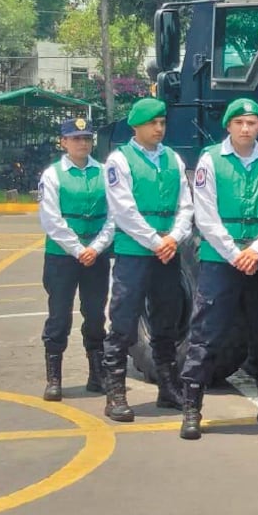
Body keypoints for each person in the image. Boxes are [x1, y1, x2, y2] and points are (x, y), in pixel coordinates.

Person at [178, 97, 258, 440]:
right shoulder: (211, 160)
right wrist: (235, 253)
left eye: (252, 123)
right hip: (219, 260)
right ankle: (192, 408)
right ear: (229, 126)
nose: (246, 128)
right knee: (206, 333)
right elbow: (205, 215)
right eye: (239, 123)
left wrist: (256, 250)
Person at [102, 97, 193, 422]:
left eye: (163, 122)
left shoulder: (173, 159)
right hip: (134, 253)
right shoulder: (119, 160)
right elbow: (124, 211)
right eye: (153, 123)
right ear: (136, 126)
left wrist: (174, 237)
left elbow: (186, 204)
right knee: (124, 320)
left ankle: (168, 388)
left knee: (166, 320)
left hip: (167, 251)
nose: (159, 128)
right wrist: (156, 241)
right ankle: (115, 393)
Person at [36, 117, 114, 401]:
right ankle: (54, 378)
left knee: (95, 315)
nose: (82, 143)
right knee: (59, 316)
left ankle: (96, 375)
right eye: (76, 138)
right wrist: (79, 249)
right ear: (64, 142)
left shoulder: (105, 172)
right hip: (63, 256)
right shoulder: (53, 174)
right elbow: (51, 220)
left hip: (97, 254)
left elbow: (114, 215)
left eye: (87, 138)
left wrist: (97, 246)